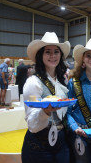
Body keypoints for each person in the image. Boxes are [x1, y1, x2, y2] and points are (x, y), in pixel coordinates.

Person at [21, 32, 71, 163]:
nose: (53, 56)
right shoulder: (33, 82)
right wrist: (45, 111)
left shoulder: (62, 81)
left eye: (56, 52)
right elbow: (32, 123)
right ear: (40, 55)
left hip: (62, 140)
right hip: (39, 143)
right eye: (48, 52)